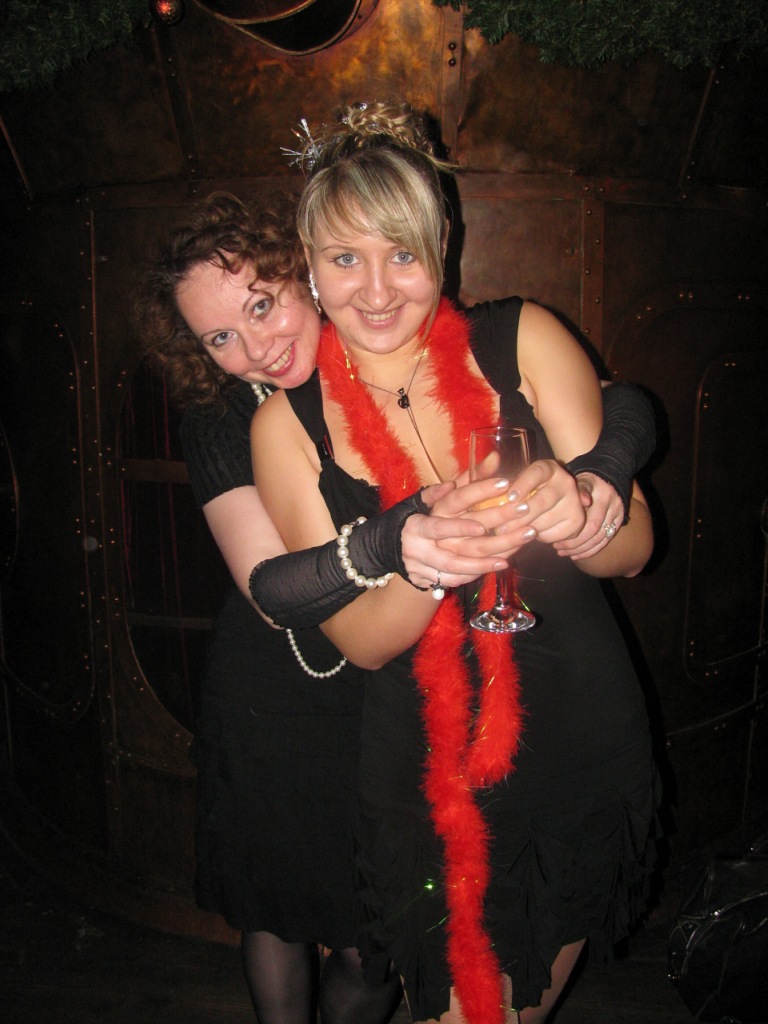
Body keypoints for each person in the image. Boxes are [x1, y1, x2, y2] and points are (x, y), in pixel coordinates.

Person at [138, 189, 609, 1024]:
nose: (255, 347)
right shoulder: (222, 419)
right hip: (278, 695)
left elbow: (591, 401)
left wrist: (614, 451)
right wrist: (402, 532)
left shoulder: (384, 347)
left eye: (261, 305)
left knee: (376, 932)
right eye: (220, 338)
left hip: (383, 688)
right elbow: (272, 588)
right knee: (278, 909)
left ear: (304, 273)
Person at [249, 102, 659, 1024]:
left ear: (443, 249)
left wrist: (584, 510)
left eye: (402, 253)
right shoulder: (285, 426)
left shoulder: (522, 340)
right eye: (344, 257)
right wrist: (417, 563)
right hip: (423, 770)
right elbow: (361, 642)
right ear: (309, 264)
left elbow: (637, 549)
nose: (376, 290)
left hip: (578, 738)